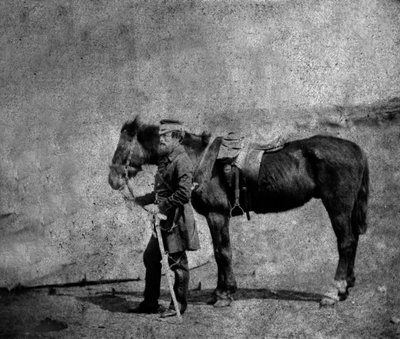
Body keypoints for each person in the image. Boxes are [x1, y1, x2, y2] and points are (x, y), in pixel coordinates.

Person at [130, 119, 200, 318]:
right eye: (160, 135)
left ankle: (177, 306)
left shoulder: (182, 160)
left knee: (177, 264)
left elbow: (184, 194)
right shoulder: (166, 158)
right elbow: (161, 192)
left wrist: (159, 206)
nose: (160, 139)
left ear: (177, 138)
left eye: (165, 136)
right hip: (163, 220)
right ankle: (150, 303)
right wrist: (138, 200)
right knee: (151, 257)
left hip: (176, 220)